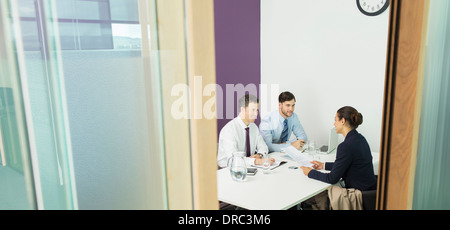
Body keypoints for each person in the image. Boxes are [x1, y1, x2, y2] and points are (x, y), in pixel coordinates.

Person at [300, 106, 377, 209]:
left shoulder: (345, 146)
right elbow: (348, 164)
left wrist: (310, 172)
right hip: (370, 192)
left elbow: (332, 178)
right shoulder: (360, 139)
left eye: (335, 120)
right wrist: (324, 165)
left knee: (316, 197)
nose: (334, 123)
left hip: (357, 196)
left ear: (343, 121)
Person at [217, 94, 274, 168]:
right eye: (252, 110)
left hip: (249, 166)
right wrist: (257, 161)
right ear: (242, 109)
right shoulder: (229, 129)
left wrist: (259, 155)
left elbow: (263, 146)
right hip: (228, 169)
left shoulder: (253, 127)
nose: (256, 114)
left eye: (257, 110)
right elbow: (233, 159)